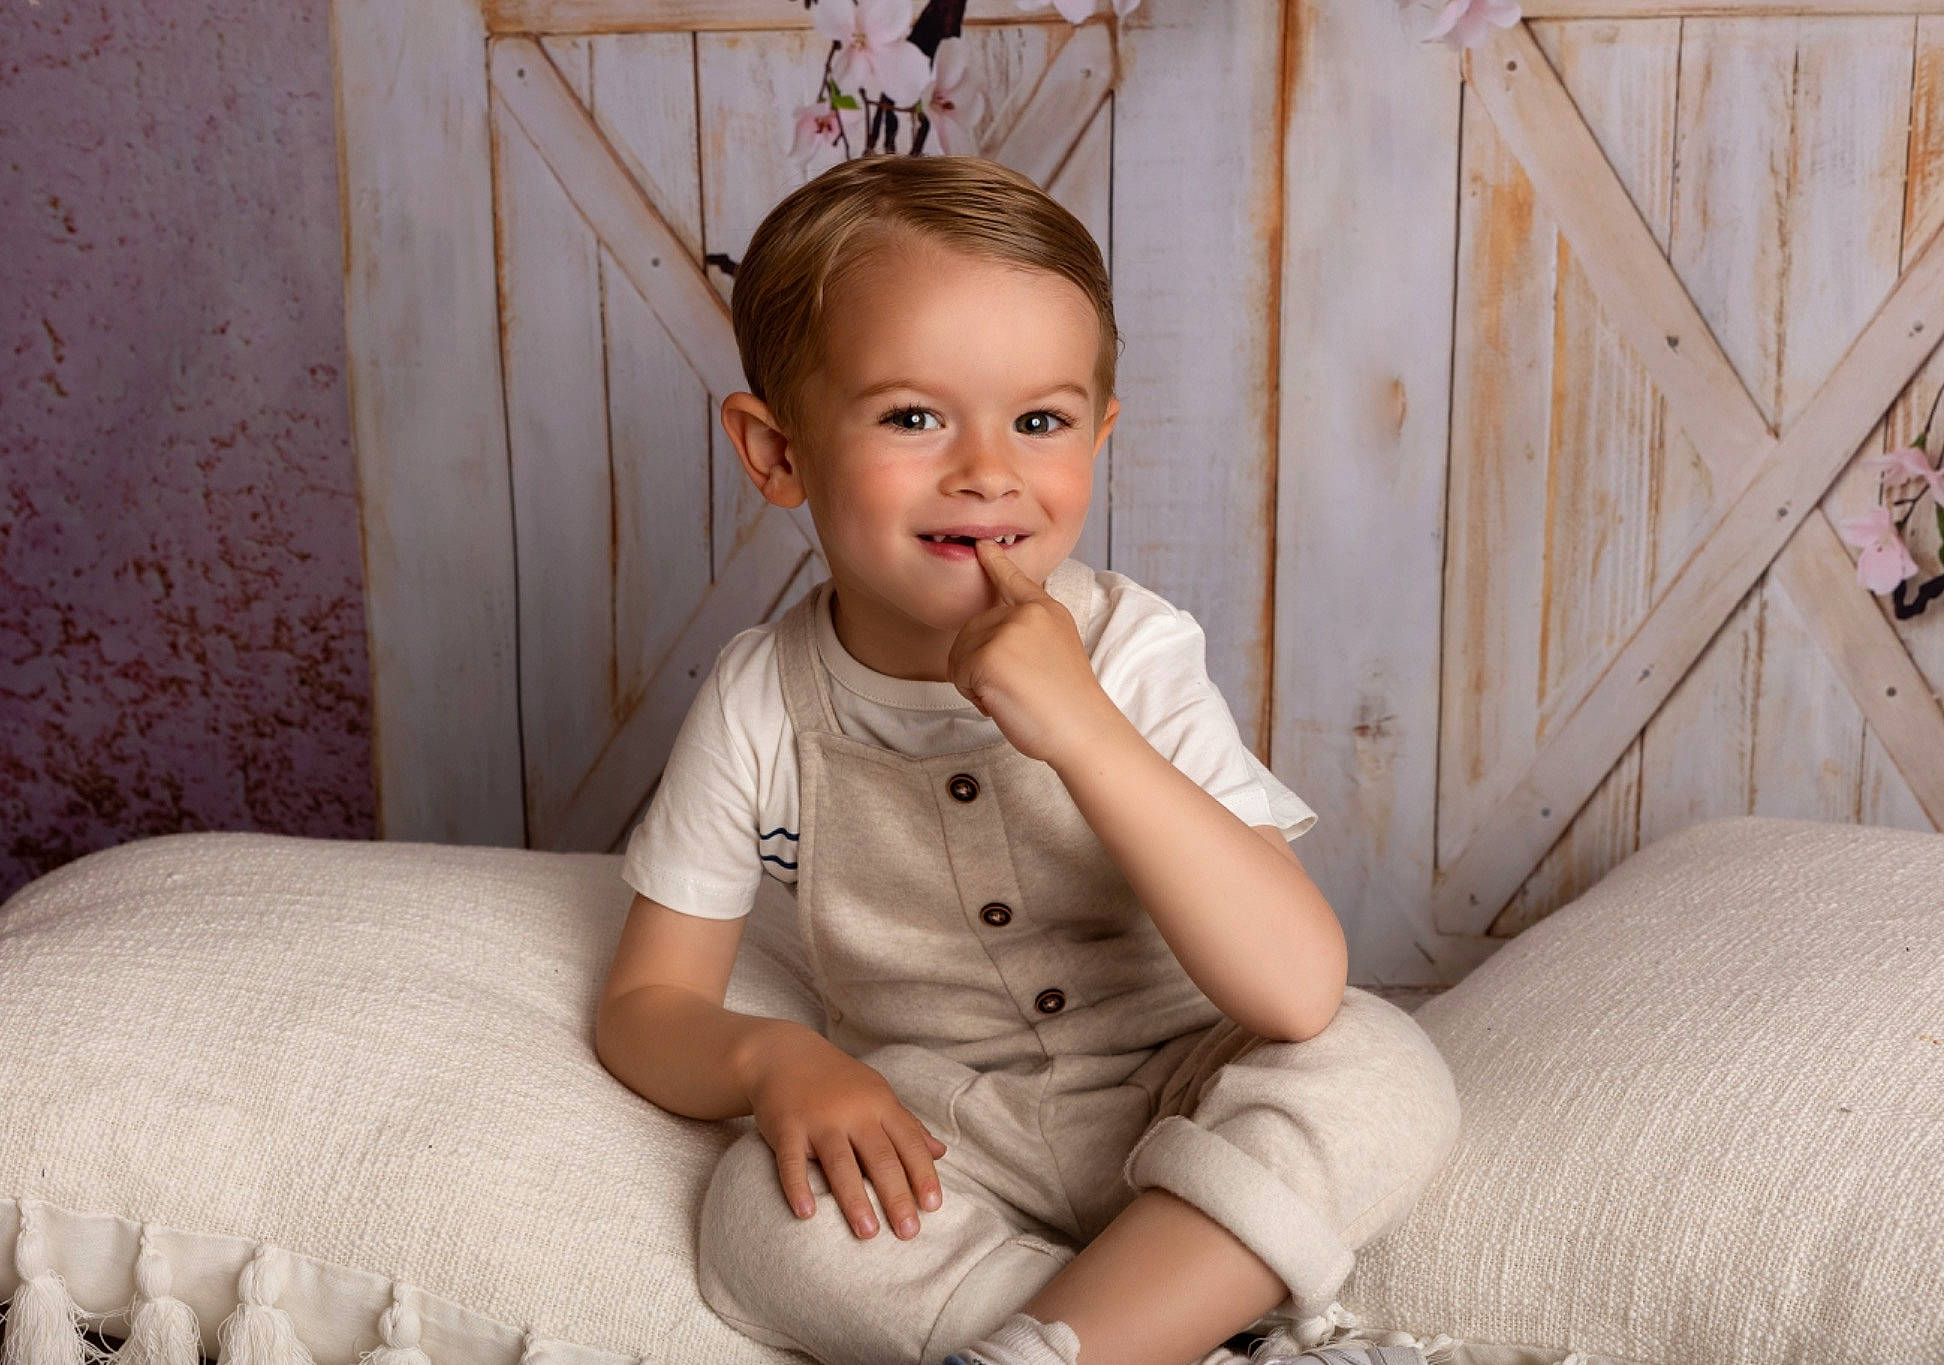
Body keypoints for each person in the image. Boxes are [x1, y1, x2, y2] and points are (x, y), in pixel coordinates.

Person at [592, 154, 1459, 1365]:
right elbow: (646, 1006)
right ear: (776, 452)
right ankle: (1138, 1334)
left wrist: (1081, 727)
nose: (986, 470)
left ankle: (1072, 1343)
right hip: (949, 1125)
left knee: (1376, 1065)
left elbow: (1293, 989)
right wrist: (769, 1055)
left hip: (1188, 1080)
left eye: (1038, 421)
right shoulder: (760, 701)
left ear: (1095, 440)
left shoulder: (1133, 650)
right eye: (911, 416)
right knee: (759, 1220)